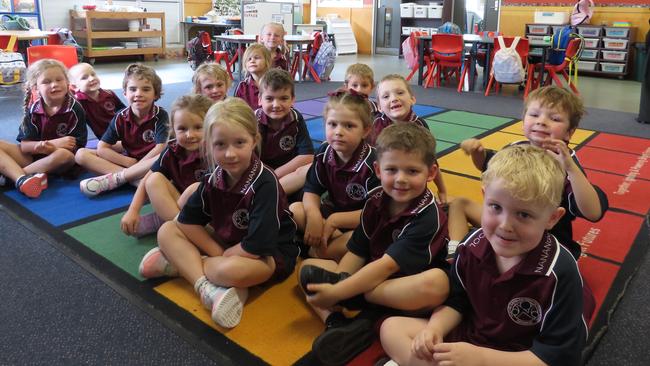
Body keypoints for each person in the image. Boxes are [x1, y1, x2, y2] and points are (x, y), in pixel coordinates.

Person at [380, 144, 587, 366]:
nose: (505, 226)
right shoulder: (471, 247)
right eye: (495, 207)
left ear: (552, 219)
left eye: (524, 214)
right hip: (473, 338)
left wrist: (481, 359)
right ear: (484, 197)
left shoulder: (559, 272)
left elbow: (555, 357)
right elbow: (458, 302)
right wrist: (434, 329)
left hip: (518, 357)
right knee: (391, 328)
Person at [300, 123, 450, 366]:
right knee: (307, 268)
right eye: (392, 170)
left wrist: (340, 290)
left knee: (437, 283)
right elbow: (358, 250)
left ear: (431, 173)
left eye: (412, 171)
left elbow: (386, 267)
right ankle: (338, 323)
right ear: (378, 170)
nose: (400, 179)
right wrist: (340, 278)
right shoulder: (375, 200)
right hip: (373, 280)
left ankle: (360, 309)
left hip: (406, 290)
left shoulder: (428, 215)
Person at [144, 97, 298, 329]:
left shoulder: (265, 182)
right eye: (220, 145)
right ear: (209, 145)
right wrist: (218, 251)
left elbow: (255, 247)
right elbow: (186, 222)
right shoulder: (213, 178)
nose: (230, 154)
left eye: (239, 143)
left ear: (254, 140)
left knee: (229, 270)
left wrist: (218, 257)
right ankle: (207, 289)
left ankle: (186, 265)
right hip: (228, 243)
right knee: (167, 230)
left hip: (268, 256)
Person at [449, 85, 608, 260]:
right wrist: (477, 153)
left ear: (569, 132)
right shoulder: (516, 148)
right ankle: (456, 253)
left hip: (539, 237)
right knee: (459, 204)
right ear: (524, 120)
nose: (541, 121)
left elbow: (593, 212)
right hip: (506, 222)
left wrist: (571, 168)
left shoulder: (565, 163)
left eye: (554, 118)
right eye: (534, 115)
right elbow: (487, 165)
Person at [289, 89, 380, 260]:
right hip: (331, 218)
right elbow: (312, 190)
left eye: (349, 126)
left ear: (366, 130)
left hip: (360, 224)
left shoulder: (374, 163)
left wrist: (335, 221)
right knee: (296, 209)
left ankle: (316, 249)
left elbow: (375, 214)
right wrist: (314, 214)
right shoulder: (324, 152)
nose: (339, 131)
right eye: (332, 124)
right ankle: (326, 248)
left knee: (367, 237)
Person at [121, 94, 213, 238]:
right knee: (154, 180)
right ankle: (187, 233)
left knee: (194, 189)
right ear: (173, 130)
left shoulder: (216, 151)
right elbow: (147, 179)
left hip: (210, 213)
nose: (190, 135)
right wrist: (133, 210)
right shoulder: (173, 149)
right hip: (180, 207)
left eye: (198, 127)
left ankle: (177, 228)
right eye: (182, 129)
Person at [75, 63, 169, 197]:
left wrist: (137, 166)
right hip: (130, 163)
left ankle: (119, 178)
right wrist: (127, 162)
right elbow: (102, 147)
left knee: (167, 152)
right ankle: (137, 182)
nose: (138, 94)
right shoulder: (120, 117)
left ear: (156, 94)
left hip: (151, 165)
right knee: (81, 154)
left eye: (146, 89)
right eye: (133, 89)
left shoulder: (161, 115)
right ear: (125, 93)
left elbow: (160, 149)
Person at [0, 59, 87, 198]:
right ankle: (23, 178)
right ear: (36, 88)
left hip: (60, 161)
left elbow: (75, 150)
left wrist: (52, 149)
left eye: (59, 80)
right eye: (46, 82)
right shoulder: (34, 109)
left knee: (63, 155)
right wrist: (52, 144)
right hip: (34, 158)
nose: (54, 85)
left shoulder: (75, 109)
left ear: (67, 82)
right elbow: (25, 146)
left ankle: (13, 176)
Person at [372, 74, 447, 204]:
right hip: (385, 183)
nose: (394, 98)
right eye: (386, 96)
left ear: (412, 99)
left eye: (400, 93)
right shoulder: (375, 126)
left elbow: (431, 161)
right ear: (379, 107)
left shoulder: (420, 126)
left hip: (411, 185)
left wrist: (442, 190)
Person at [255, 68, 313, 195]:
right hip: (260, 175)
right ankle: (271, 194)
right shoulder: (254, 121)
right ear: (260, 99)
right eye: (269, 99)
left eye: (283, 98)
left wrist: (275, 175)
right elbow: (248, 161)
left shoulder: (296, 118)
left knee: (313, 168)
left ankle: (270, 194)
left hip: (287, 175)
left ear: (292, 100)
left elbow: (307, 156)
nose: (276, 104)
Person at [69, 62, 126, 139]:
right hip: (106, 138)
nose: (92, 78)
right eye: (84, 78)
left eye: (93, 74)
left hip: (122, 129)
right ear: (75, 86)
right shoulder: (78, 101)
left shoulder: (109, 94)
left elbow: (123, 111)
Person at [234, 44, 271, 111]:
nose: (252, 61)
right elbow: (236, 110)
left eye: (256, 58)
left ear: (267, 61)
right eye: (249, 59)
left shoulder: (274, 83)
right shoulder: (242, 86)